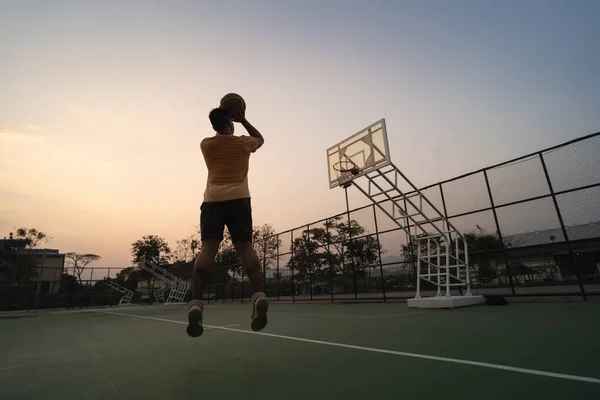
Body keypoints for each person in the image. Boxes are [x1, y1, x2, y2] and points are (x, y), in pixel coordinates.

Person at [187, 106, 268, 337]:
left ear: (213, 126)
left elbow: (223, 133)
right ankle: (259, 296)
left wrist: (231, 120)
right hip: (240, 200)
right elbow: (260, 138)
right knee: (245, 248)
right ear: (231, 122)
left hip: (213, 201)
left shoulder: (206, 144)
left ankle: (195, 304)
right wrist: (243, 120)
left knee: (208, 249)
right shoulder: (244, 143)